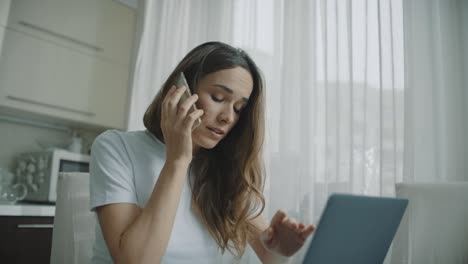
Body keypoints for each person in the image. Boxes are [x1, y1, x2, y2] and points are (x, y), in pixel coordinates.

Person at [89, 41, 315, 264]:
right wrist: (178, 161)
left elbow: (268, 253)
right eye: (218, 98)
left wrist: (281, 250)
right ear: (180, 90)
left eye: (239, 109)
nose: (228, 117)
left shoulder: (226, 169)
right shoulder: (116, 147)